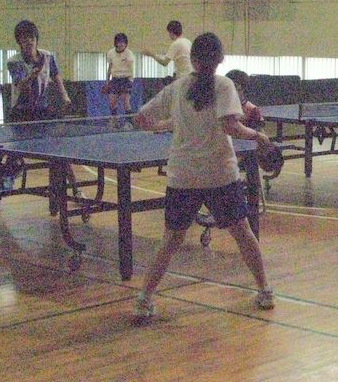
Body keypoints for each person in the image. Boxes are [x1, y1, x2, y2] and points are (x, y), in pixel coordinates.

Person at [133, 32, 274, 317]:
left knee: (170, 241)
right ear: (220, 59)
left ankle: (144, 299)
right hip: (220, 175)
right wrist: (259, 137)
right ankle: (264, 290)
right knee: (243, 234)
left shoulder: (177, 88)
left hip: (183, 176)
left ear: (193, 59)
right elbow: (230, 126)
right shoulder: (224, 85)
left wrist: (164, 126)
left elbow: (140, 118)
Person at [0, 20, 84, 212]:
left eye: (31, 38)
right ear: (19, 42)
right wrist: (34, 73)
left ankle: (77, 191)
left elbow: (56, 75)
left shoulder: (47, 56)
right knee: (11, 157)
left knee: (59, 154)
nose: (28, 42)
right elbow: (21, 85)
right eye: (24, 39)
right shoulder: (14, 61)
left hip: (42, 112)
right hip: (20, 113)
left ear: (36, 39)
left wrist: (64, 95)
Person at [105, 33, 135, 117]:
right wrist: (107, 81)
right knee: (112, 103)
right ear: (116, 43)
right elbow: (110, 68)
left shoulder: (129, 54)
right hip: (115, 79)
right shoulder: (111, 53)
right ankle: (114, 121)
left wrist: (130, 80)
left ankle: (129, 122)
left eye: (124, 42)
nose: (122, 44)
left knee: (126, 103)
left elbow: (131, 68)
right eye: (120, 42)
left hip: (126, 79)